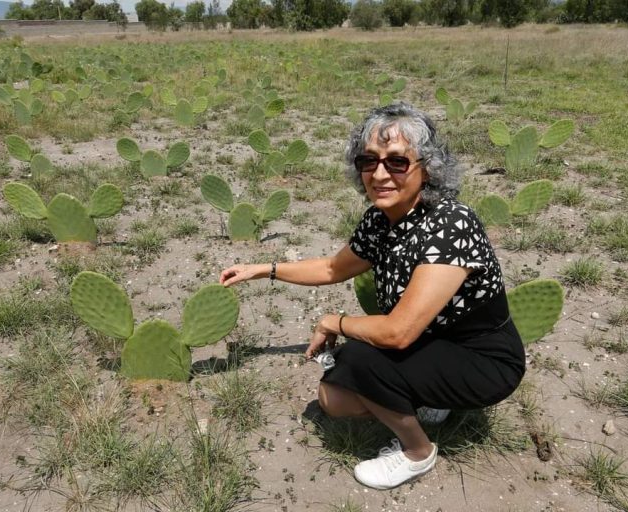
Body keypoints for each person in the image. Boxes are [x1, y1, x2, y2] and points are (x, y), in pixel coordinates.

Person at [219, 102, 525, 490]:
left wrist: (335, 322)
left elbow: (397, 333)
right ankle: (430, 397)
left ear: (427, 168)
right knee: (333, 399)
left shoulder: (450, 223)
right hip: (432, 340)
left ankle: (417, 452)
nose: (379, 174)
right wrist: (264, 269)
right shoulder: (381, 220)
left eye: (397, 163)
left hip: (482, 359)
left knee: (358, 356)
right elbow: (333, 268)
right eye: (369, 161)